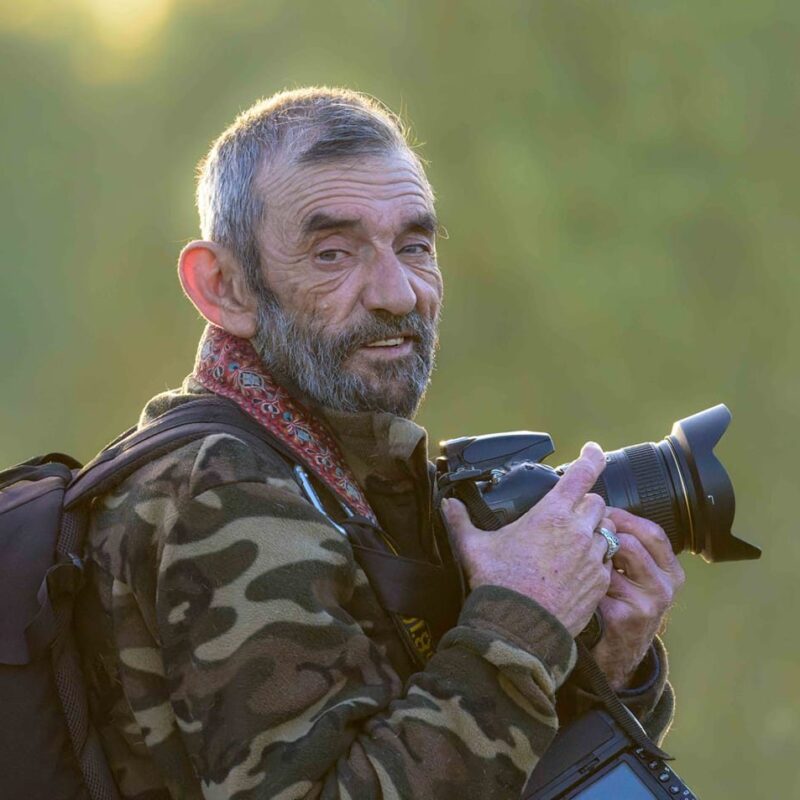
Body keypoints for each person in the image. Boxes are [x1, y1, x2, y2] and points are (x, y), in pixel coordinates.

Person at [76, 87, 685, 800]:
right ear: (224, 288)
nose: (398, 294)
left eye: (415, 246)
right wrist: (525, 619)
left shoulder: (332, 471)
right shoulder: (222, 491)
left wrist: (599, 662)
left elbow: (465, 767)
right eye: (333, 253)